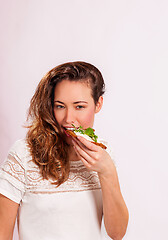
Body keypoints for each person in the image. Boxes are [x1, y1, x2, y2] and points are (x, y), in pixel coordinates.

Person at [0, 61, 129, 240]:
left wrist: (107, 170)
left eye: (79, 107)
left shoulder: (104, 155)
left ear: (98, 104)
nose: (68, 119)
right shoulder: (23, 154)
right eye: (60, 106)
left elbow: (117, 233)